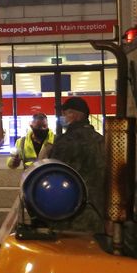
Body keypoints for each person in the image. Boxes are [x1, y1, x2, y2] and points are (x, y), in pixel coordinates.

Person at [38, 97, 106, 234]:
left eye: (65, 114)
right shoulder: (101, 140)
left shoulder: (66, 141)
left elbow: (54, 174)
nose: (62, 118)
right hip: (100, 212)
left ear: (74, 115)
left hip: (72, 214)